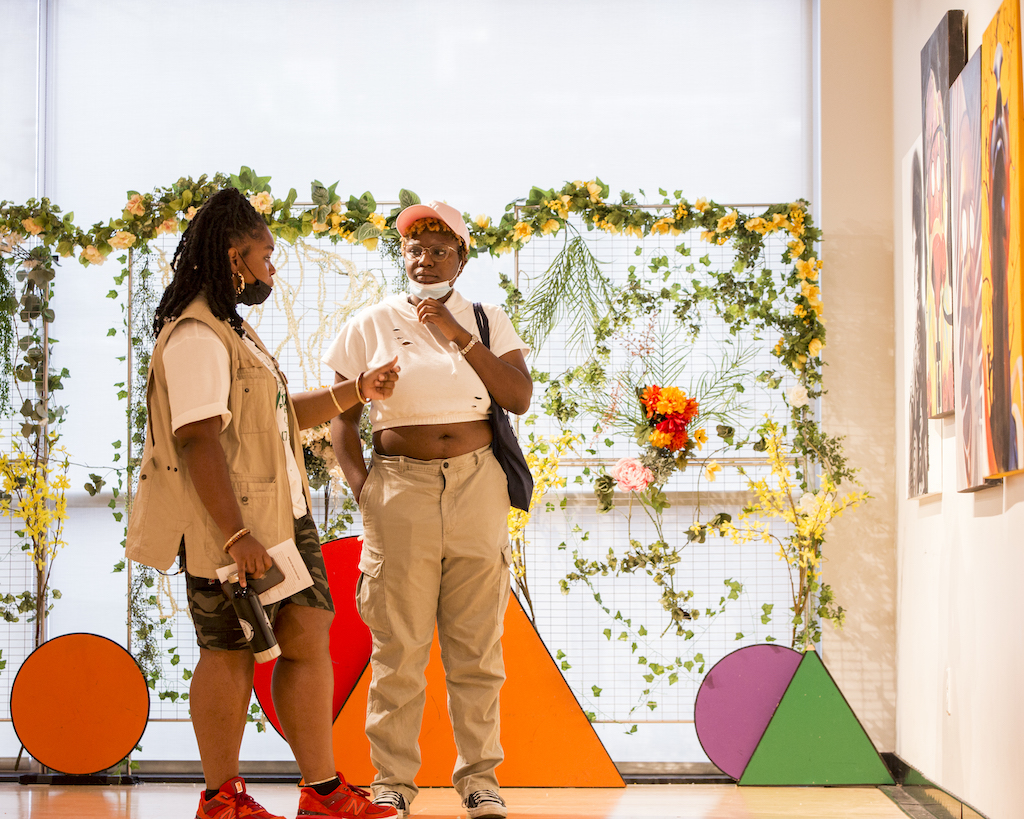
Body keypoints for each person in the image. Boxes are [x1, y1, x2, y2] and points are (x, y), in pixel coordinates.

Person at [125, 187, 401, 819]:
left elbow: (275, 416)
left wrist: (357, 390)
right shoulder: (197, 332)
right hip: (233, 526)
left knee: (307, 637)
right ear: (234, 256)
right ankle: (221, 798)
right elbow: (198, 438)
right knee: (227, 649)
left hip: (282, 517)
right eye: (266, 254)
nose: (272, 268)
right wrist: (234, 534)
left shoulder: (231, 327)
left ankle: (322, 792)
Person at [323, 200, 532, 819]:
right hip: (398, 489)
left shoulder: (487, 320)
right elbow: (341, 419)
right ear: (403, 256)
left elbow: (518, 396)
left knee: (477, 647)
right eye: (415, 249)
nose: (425, 259)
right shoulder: (371, 323)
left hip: (477, 485)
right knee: (399, 649)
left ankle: (480, 781)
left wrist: (457, 335)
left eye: (440, 250)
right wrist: (364, 489)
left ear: (461, 259)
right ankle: (391, 783)